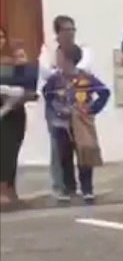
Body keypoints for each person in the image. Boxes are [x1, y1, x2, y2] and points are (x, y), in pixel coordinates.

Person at [42, 46, 110, 203]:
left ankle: (87, 188)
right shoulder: (55, 79)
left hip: (80, 122)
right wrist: (57, 110)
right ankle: (67, 188)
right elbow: (47, 94)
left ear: (69, 60)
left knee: (84, 153)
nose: (57, 60)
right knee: (64, 155)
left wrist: (92, 109)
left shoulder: (85, 78)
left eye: (60, 57)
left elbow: (104, 92)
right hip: (62, 124)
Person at [0, 27, 36, 207]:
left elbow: (27, 84)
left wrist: (22, 64)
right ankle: (2, 190)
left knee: (12, 150)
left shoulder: (12, 62)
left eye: (1, 37)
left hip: (15, 114)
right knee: (3, 152)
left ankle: (10, 190)